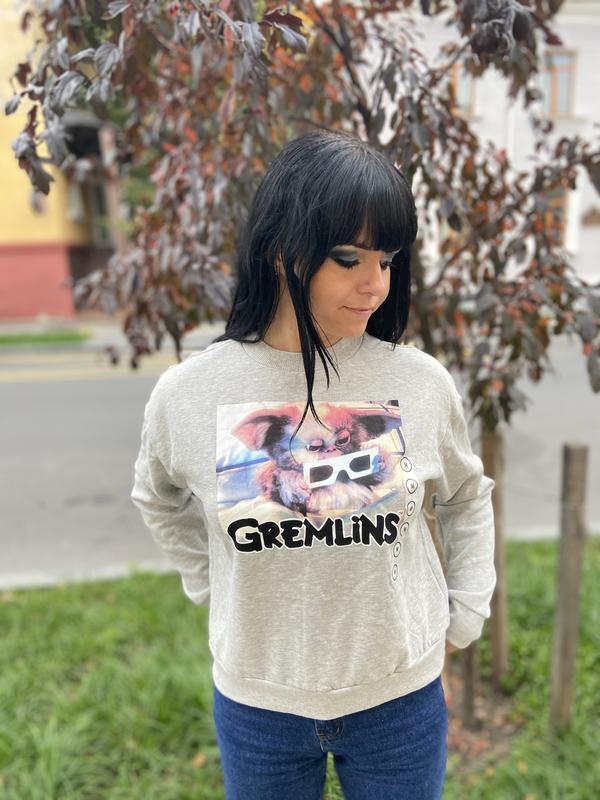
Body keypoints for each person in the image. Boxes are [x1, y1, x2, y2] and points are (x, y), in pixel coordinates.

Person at [130, 128, 496, 800]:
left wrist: (466, 611)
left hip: (398, 702)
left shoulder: (419, 382)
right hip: (259, 704)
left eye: (387, 260)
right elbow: (156, 497)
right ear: (281, 252)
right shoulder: (188, 394)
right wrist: (212, 583)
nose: (374, 284)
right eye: (348, 258)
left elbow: (466, 497)